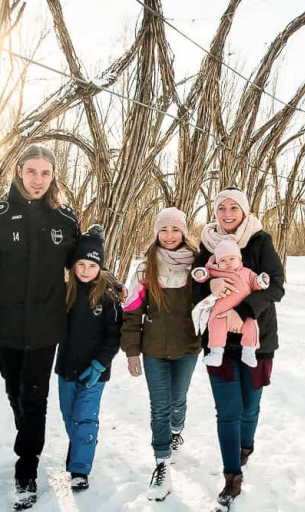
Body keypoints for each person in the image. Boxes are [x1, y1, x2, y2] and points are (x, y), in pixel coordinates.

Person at [0, 145, 80, 510]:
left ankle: (26, 471)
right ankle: (27, 434)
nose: (38, 180)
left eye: (45, 173)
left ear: (53, 177)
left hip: (47, 325)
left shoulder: (65, 219)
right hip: (5, 324)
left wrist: (96, 249)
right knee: (15, 392)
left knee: (35, 398)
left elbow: (82, 266)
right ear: (18, 171)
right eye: (32, 172)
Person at [192, 187, 285, 510]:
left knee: (250, 407)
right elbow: (196, 284)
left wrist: (242, 312)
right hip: (218, 341)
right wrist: (209, 284)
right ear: (215, 212)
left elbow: (275, 285)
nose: (228, 214)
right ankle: (232, 475)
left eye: (234, 208)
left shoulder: (261, 241)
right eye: (221, 209)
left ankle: (245, 446)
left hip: (256, 340)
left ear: (244, 211)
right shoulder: (206, 245)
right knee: (228, 411)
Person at [120, 207, 200, 502]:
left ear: (184, 232)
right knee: (159, 407)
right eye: (164, 230)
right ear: (156, 232)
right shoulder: (145, 269)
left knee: (177, 401)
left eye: (175, 230)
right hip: (153, 349)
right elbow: (131, 314)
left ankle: (177, 430)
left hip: (187, 347)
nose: (169, 236)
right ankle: (161, 463)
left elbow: (211, 303)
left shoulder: (197, 267)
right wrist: (132, 353)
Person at [55, 225, 122, 492]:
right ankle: (84, 443)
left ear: (101, 268)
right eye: (80, 264)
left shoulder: (108, 298)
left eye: (92, 265)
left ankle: (80, 470)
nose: (85, 270)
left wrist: (100, 364)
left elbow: (113, 336)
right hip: (66, 368)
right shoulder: (63, 292)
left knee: (85, 417)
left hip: (95, 371)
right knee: (69, 416)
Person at [191, 239, 270, 368]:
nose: (227, 262)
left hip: (244, 313)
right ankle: (216, 353)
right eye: (222, 260)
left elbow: (256, 283)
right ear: (217, 262)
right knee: (215, 326)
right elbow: (203, 276)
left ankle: (249, 352)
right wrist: (200, 274)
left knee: (252, 326)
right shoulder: (216, 272)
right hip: (220, 312)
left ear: (240, 260)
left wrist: (262, 280)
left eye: (232, 258)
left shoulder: (247, 273)